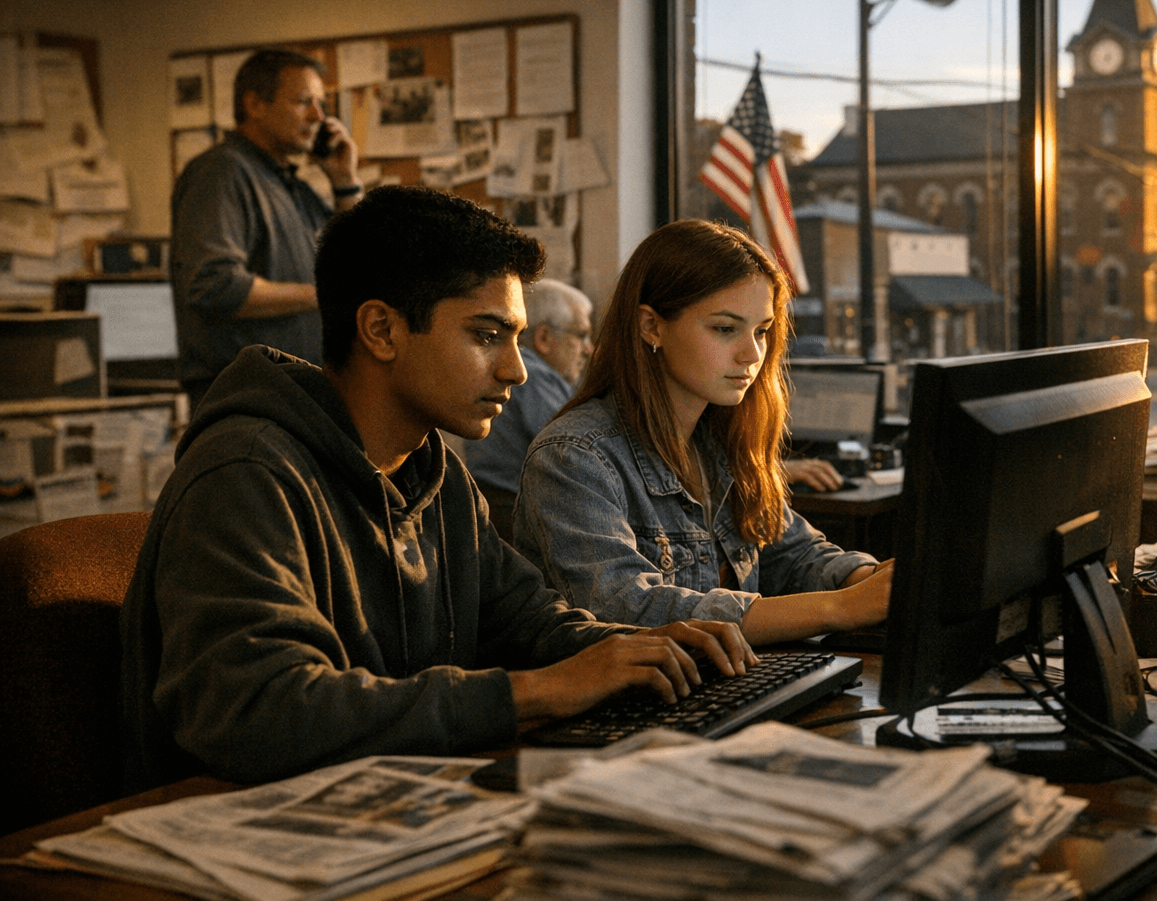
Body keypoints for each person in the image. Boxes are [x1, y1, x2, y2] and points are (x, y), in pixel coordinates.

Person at [120, 187, 752, 791]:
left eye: (516, 337)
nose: (516, 368)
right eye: (485, 335)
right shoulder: (247, 472)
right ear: (382, 330)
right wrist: (538, 690)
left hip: (394, 794)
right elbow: (258, 711)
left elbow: (527, 620)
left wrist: (641, 651)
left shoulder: (433, 472)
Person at [511, 219, 892, 646]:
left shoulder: (719, 440)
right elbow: (628, 609)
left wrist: (874, 582)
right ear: (651, 326)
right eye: (725, 328)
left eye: (762, 331)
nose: (752, 353)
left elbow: (792, 554)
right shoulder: (574, 456)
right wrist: (842, 607)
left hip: (725, 685)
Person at [171, 48, 363, 411]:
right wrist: (324, 295)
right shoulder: (221, 173)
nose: (318, 117)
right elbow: (215, 286)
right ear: (256, 104)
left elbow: (355, 265)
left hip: (298, 399)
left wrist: (345, 182)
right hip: (246, 403)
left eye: (321, 104)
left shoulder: (292, 186)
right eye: (304, 102)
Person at [461, 279, 593, 538]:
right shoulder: (534, 376)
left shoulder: (520, 373)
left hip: (491, 508)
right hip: (513, 514)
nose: (589, 349)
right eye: (581, 335)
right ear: (544, 338)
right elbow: (579, 454)